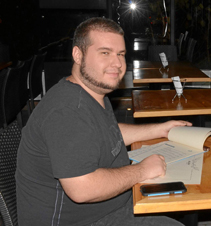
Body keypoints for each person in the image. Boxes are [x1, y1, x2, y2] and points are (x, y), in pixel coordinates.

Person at [15, 17, 189, 226]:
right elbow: (82, 188)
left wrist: (160, 129)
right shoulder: (67, 111)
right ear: (78, 55)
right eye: (105, 53)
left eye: (121, 54)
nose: (116, 63)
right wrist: (142, 170)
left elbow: (108, 133)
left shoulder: (92, 94)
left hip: (109, 209)